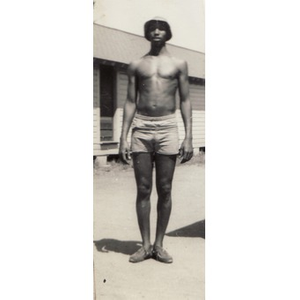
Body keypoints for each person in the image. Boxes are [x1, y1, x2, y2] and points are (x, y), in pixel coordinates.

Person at [119, 17, 193, 263]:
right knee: (143, 189)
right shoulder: (137, 64)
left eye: (160, 28)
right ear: (147, 34)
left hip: (167, 128)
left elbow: (184, 100)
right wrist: (123, 137)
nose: (156, 32)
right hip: (141, 127)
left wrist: (188, 136)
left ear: (168, 33)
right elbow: (130, 101)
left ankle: (160, 245)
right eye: (151, 29)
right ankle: (145, 245)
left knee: (165, 188)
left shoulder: (179, 64)